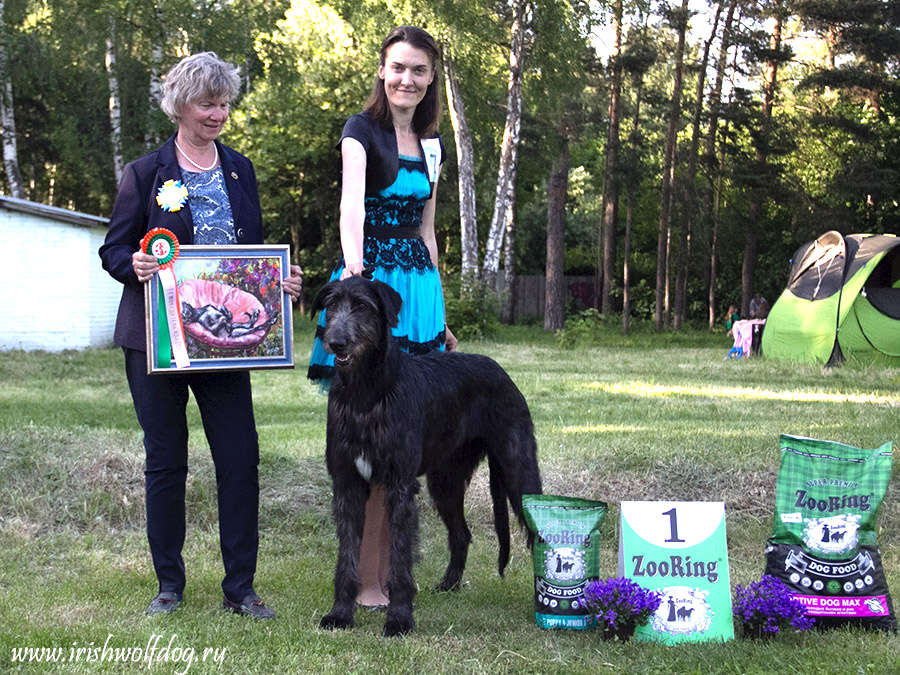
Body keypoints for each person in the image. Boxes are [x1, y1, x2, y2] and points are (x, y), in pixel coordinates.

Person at [99, 52, 303, 619]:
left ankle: (241, 588)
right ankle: (169, 585)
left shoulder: (241, 169)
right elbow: (113, 249)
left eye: (225, 103)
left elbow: (252, 255)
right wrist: (135, 265)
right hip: (156, 341)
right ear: (180, 105)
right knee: (166, 461)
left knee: (240, 459)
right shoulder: (145, 172)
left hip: (227, 341)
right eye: (208, 103)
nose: (219, 113)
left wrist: (278, 282)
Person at [307, 26, 457, 607]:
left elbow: (428, 230)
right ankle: (366, 582)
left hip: (418, 290)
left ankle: (397, 577)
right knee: (363, 431)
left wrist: (439, 308)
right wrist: (354, 273)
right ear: (381, 70)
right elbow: (351, 207)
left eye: (419, 70)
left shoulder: (434, 143)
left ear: (431, 78)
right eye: (398, 67)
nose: (407, 79)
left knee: (402, 435)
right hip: (374, 284)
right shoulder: (359, 132)